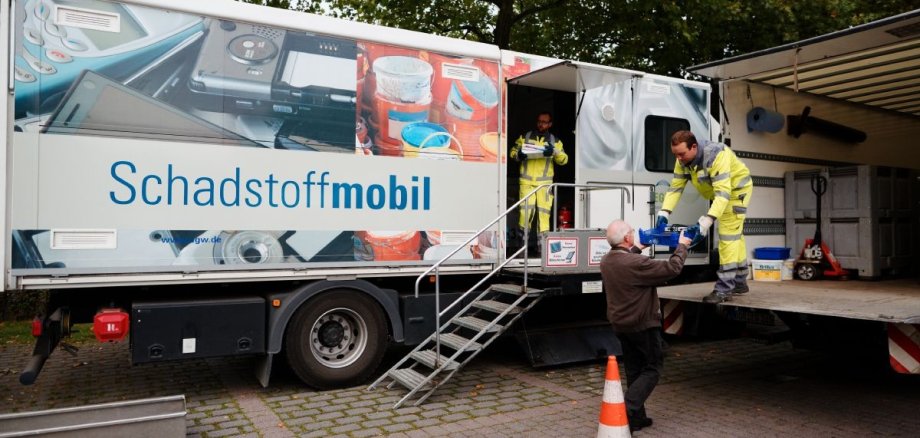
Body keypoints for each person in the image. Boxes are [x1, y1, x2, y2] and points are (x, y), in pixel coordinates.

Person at [600, 219, 690, 433]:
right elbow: (672, 268)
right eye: (631, 232)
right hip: (642, 325)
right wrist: (683, 246)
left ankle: (637, 419)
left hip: (621, 325)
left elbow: (626, 258)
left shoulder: (606, 261)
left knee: (634, 369)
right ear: (626, 238)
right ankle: (626, 408)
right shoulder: (636, 264)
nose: (633, 233)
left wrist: (638, 248)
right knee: (652, 368)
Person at [656, 130, 753, 304]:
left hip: (736, 192)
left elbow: (723, 194)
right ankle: (740, 281)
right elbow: (676, 187)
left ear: (694, 147)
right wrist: (664, 212)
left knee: (728, 236)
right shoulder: (683, 159)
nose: (678, 159)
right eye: (675, 154)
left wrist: (706, 221)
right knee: (735, 235)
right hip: (721, 194)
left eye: (681, 154)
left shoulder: (717, 155)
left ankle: (724, 288)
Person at [510, 111, 568, 253]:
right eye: (539, 121)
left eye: (544, 122)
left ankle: (542, 251)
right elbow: (512, 152)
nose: (541, 124)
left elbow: (564, 160)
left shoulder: (555, 141)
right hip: (526, 183)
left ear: (550, 124)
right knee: (525, 214)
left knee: (544, 216)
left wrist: (554, 152)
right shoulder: (526, 137)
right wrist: (518, 154)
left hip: (544, 184)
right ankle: (521, 249)